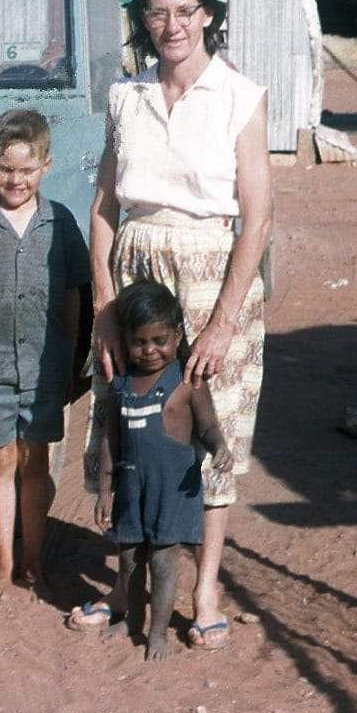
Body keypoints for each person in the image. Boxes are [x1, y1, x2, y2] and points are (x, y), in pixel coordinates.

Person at [67, 0, 273, 652]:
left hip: (212, 270)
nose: (170, 25)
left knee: (208, 428)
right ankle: (124, 590)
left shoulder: (239, 95)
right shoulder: (125, 96)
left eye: (185, 11)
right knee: (126, 424)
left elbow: (258, 218)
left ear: (207, 16)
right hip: (135, 264)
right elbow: (102, 201)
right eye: (157, 13)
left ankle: (204, 586)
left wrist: (219, 323)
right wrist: (103, 296)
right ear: (143, 21)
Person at [0, 108, 89, 604]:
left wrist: (68, 356)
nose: (15, 180)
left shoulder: (59, 221)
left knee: (34, 466)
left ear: (46, 166)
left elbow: (74, 296)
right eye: (5, 168)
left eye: (27, 170)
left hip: (44, 367)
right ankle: (3, 565)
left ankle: (33, 562)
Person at [91, 281, 232, 661]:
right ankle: (133, 619)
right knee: (130, 560)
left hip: (172, 491)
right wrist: (106, 491)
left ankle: (157, 633)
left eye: (160, 340)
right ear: (125, 339)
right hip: (133, 488)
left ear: (178, 334)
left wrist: (220, 448)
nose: (150, 350)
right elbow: (110, 441)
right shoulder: (121, 384)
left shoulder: (187, 382)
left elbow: (207, 427)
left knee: (163, 563)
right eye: (139, 342)